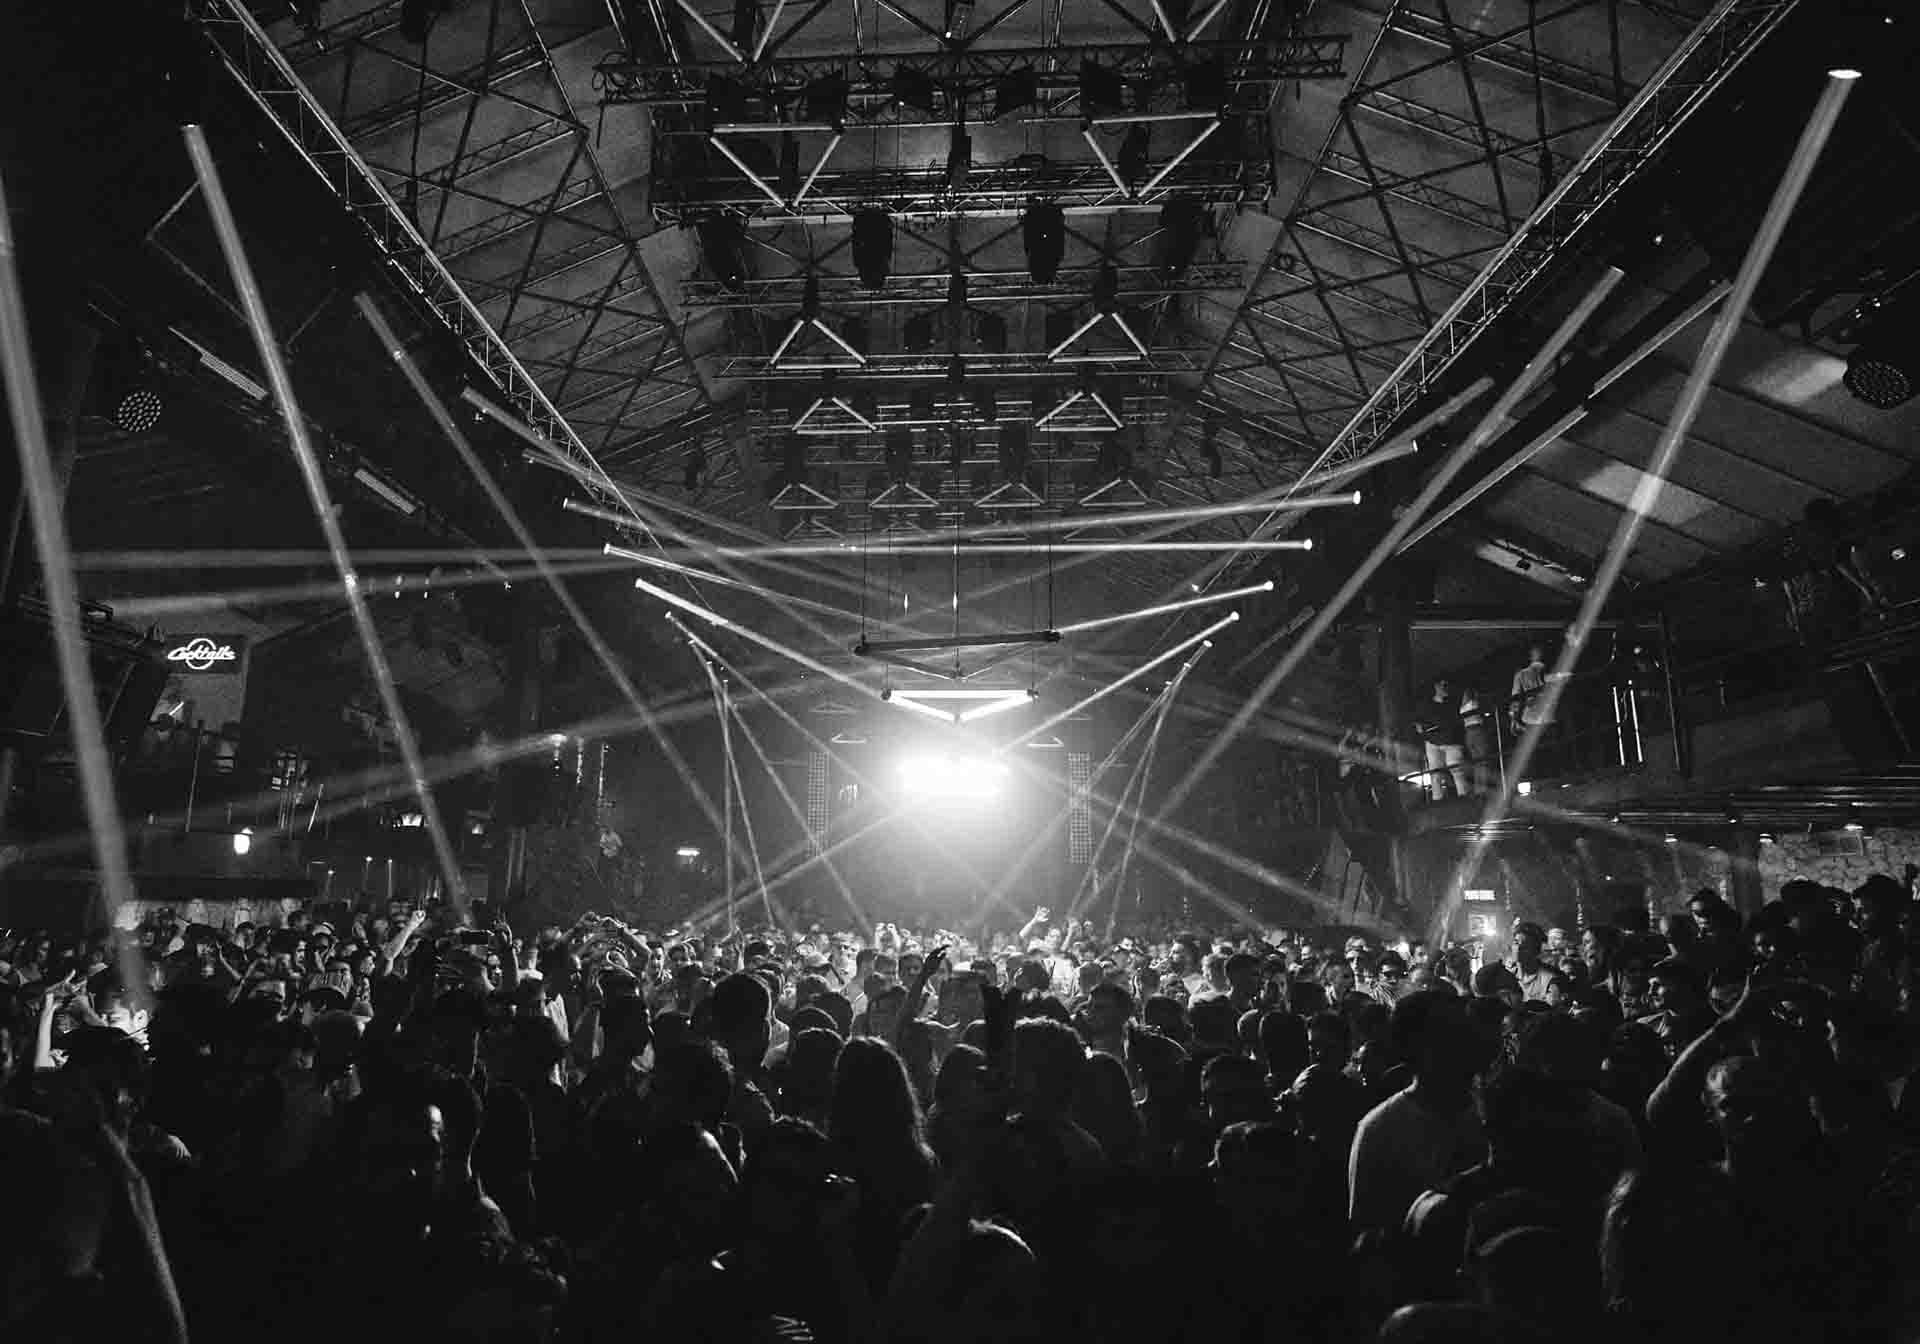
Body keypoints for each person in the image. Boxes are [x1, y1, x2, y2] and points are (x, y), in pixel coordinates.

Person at [1348, 991, 1493, 1237]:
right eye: (1451, 1037)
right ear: (1414, 1050)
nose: (1469, 1045)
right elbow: (1367, 1233)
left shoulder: (1491, 1115)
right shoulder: (1380, 1130)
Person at [1416, 678, 1469, 802]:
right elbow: (1419, 721)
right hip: (1433, 742)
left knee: (1456, 770)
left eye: (1446, 685)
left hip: (1451, 741)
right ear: (1436, 686)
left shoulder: (1453, 703)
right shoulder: (1426, 705)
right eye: (1443, 685)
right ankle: (1437, 800)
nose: (1445, 687)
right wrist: (1420, 727)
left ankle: (1464, 798)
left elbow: (1458, 720)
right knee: (1436, 774)